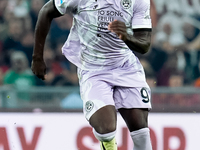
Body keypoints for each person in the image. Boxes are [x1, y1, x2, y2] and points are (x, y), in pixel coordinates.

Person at [31, 0, 153, 149]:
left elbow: (144, 44)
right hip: (94, 69)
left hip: (126, 67)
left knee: (140, 132)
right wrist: (37, 57)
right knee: (106, 130)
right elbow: (46, 11)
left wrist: (126, 37)